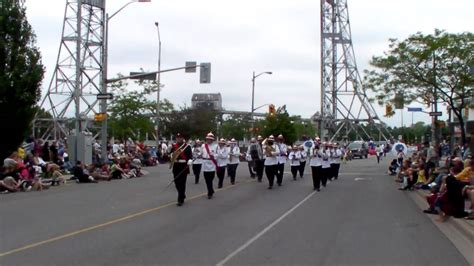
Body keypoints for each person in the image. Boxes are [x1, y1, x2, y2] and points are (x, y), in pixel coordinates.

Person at [169, 133, 193, 206]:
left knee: (182, 183)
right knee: (176, 182)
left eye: (180, 138)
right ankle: (182, 194)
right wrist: (170, 153)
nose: (178, 139)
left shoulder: (187, 147)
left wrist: (190, 161)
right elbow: (170, 155)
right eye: (177, 138)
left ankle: (180, 199)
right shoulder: (174, 146)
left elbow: (190, 156)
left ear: (183, 138)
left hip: (183, 165)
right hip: (176, 165)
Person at [201, 133, 217, 199]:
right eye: (208, 139)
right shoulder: (203, 146)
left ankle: (210, 191)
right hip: (205, 163)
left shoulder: (216, 146)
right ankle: (210, 191)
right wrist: (199, 154)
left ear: (212, 140)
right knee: (207, 179)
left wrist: (213, 156)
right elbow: (201, 153)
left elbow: (217, 154)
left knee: (211, 178)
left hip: (212, 163)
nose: (209, 140)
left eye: (210, 139)